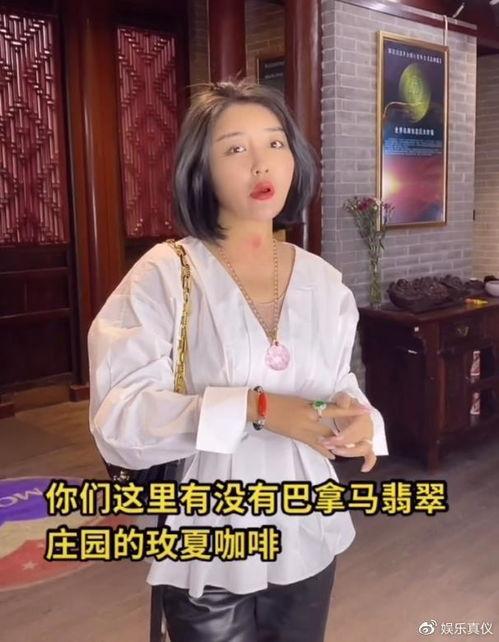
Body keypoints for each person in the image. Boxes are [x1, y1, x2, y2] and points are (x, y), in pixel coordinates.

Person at [88, 79, 388, 642]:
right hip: (210, 539)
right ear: (201, 171)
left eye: (275, 143)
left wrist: (362, 420)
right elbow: (118, 418)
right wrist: (256, 408)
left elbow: (337, 383)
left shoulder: (324, 282)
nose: (260, 164)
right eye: (234, 149)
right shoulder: (165, 274)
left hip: (307, 526)